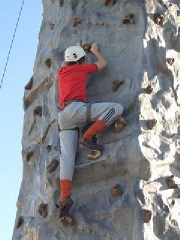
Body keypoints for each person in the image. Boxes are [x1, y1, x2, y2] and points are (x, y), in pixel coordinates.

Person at [57, 43, 125, 224]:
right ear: (79, 60)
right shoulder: (82, 68)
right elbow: (103, 64)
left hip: (63, 117)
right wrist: (94, 51)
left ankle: (64, 198)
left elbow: (66, 61)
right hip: (78, 110)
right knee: (116, 108)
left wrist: (78, 50)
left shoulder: (61, 72)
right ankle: (88, 136)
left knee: (67, 158)